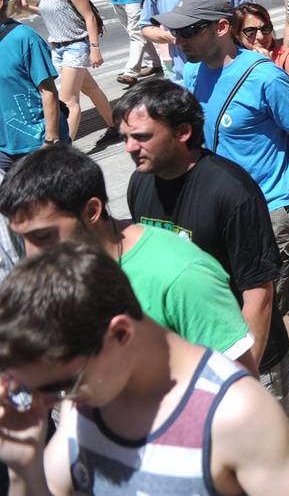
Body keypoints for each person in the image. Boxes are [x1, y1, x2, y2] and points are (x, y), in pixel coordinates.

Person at [0, 242, 289, 495]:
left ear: (120, 334)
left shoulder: (234, 412)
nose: (57, 399)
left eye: (63, 382)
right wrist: (23, 467)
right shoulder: (83, 406)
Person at [115, 78, 289, 462]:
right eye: (124, 137)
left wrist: (242, 378)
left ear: (183, 132)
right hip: (181, 360)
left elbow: (259, 294)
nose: (129, 148)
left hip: (244, 356)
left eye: (140, 136)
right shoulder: (140, 185)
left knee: (275, 454)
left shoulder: (231, 191)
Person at [165, 0, 289, 403]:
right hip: (222, 208)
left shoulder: (264, 77)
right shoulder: (191, 73)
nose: (179, 40)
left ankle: (273, 409)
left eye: (188, 31)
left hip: (271, 208)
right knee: (269, 299)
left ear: (222, 28)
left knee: (263, 310)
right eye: (177, 32)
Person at [0, 144, 255, 372]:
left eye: (43, 235)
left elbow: (241, 391)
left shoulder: (180, 275)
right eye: (21, 238)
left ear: (92, 211)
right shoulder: (59, 271)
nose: (31, 254)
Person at [21, 0, 117, 149]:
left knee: (67, 101)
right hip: (59, 48)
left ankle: (64, 152)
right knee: (91, 89)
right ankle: (114, 125)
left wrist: (94, 49)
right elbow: (55, 12)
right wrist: (28, 8)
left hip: (76, 46)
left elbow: (89, 17)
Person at [0, 0, 64, 174]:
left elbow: (48, 91)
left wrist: (51, 141)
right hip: (3, 149)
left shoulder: (25, 37)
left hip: (35, 144)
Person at [235, 2, 289, 101]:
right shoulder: (235, 63)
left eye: (265, 28)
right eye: (250, 31)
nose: (260, 36)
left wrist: (269, 70)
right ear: (238, 35)